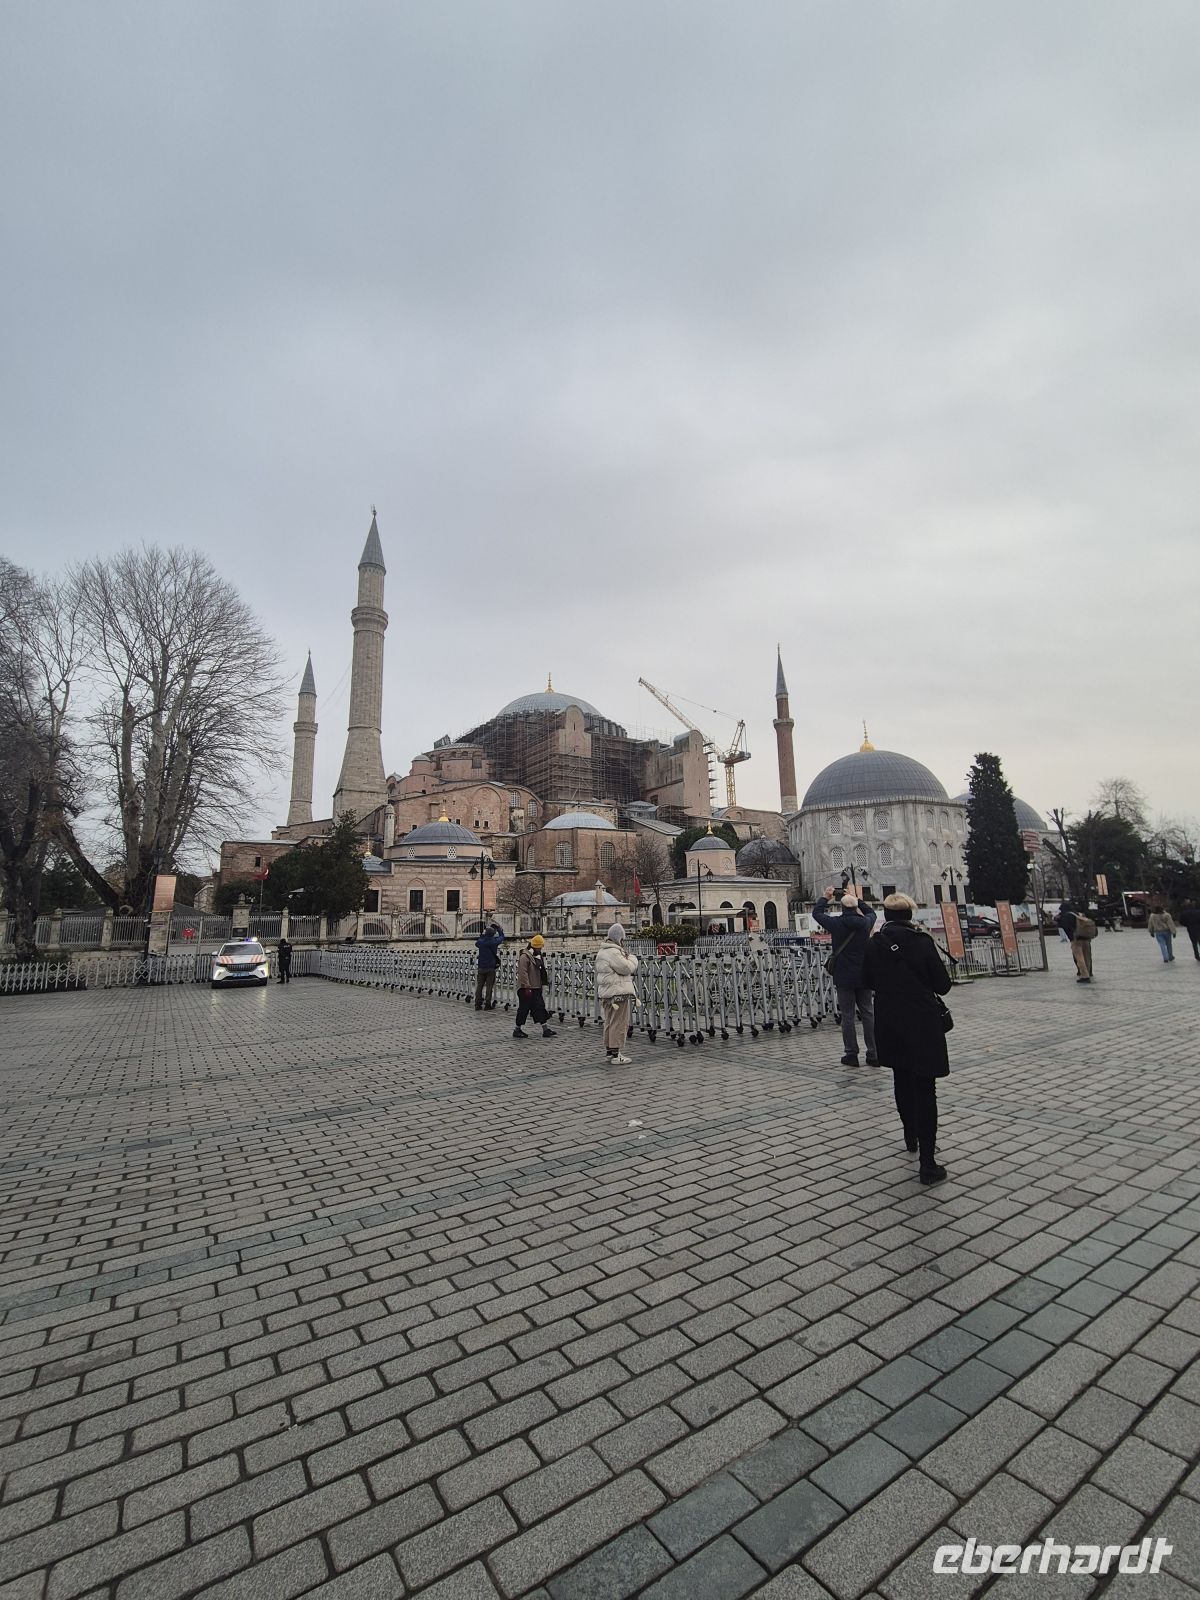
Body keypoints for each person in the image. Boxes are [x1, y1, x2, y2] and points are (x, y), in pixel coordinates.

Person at [862, 893, 953, 1186]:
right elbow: (943, 984)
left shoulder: (875, 944)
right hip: (922, 1021)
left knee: (901, 1078)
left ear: (885, 915)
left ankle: (909, 1134)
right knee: (925, 1087)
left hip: (890, 1021)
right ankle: (928, 1162)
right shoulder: (922, 942)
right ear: (909, 916)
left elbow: (866, 980)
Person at [812, 887, 878, 1066]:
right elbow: (871, 912)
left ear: (841, 908)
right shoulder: (866, 923)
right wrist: (857, 898)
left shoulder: (836, 924)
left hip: (844, 975)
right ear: (855, 907)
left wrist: (826, 896)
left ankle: (851, 1054)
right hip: (864, 974)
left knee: (847, 1015)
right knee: (868, 1013)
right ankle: (873, 1053)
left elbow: (817, 913)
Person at [595, 923, 638, 1065]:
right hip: (617, 992)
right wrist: (632, 958)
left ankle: (609, 1050)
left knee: (609, 1021)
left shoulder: (602, 951)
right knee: (619, 1022)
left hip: (606, 993)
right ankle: (616, 1053)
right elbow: (626, 968)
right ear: (618, 938)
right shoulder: (613, 952)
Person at [514, 934, 557, 1040]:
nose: (541, 948)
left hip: (536, 986)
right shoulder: (525, 956)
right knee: (524, 1009)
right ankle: (517, 1029)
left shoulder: (537, 956)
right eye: (539, 947)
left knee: (539, 1007)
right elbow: (522, 972)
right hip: (526, 988)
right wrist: (527, 986)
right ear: (534, 946)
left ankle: (545, 1029)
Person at [1055, 901, 1094, 983]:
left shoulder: (1066, 915)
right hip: (1085, 938)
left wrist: (1059, 920)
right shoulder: (1076, 914)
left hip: (1076, 939)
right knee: (1087, 957)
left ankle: (1085, 976)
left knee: (1079, 958)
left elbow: (1065, 926)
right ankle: (1089, 972)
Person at [474, 921, 504, 1010]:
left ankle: (477, 1004)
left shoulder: (481, 942)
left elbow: (477, 942)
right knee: (489, 987)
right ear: (493, 934)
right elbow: (502, 937)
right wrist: (498, 928)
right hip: (490, 967)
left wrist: (483, 933)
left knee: (479, 986)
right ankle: (487, 1004)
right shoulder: (494, 942)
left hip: (481, 967)